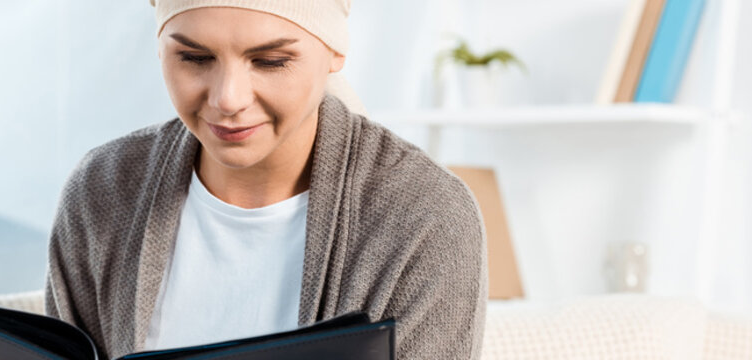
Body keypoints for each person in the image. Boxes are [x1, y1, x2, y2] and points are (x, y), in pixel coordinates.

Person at [44, 0, 487, 359]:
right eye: (194, 58)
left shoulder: (426, 216)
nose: (227, 99)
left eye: (271, 61)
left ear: (335, 52)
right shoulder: (102, 190)